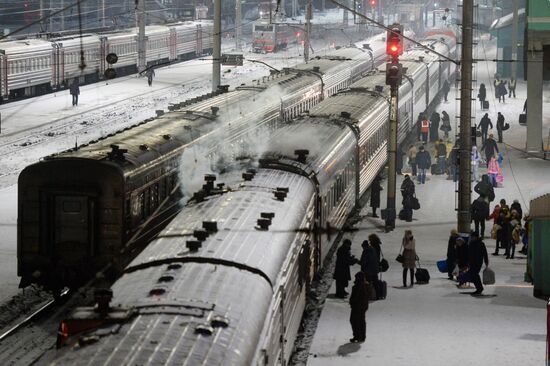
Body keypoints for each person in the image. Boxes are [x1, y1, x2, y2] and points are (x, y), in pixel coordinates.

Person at [349, 271, 369, 343]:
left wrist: (351, 302)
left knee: (354, 320)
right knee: (361, 321)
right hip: (363, 306)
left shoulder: (357, 286)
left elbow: (355, 297)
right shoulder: (365, 285)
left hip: (357, 306)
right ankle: (362, 336)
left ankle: (357, 336)